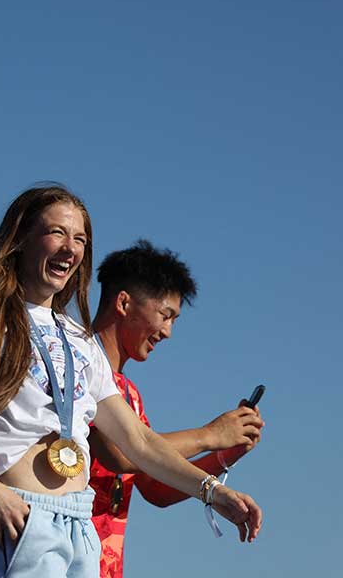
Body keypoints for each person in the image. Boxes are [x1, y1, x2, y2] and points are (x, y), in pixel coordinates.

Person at [0, 185, 261, 578]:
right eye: (57, 233)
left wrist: (214, 493)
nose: (70, 248)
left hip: (82, 529)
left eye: (80, 238)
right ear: (19, 239)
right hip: (19, 515)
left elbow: (138, 443)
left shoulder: (80, 341)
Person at [88, 241, 264, 578]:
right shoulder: (78, 361)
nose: (168, 332)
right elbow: (122, 453)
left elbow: (156, 487)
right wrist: (210, 435)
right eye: (165, 315)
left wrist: (226, 452)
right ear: (124, 303)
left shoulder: (130, 393)